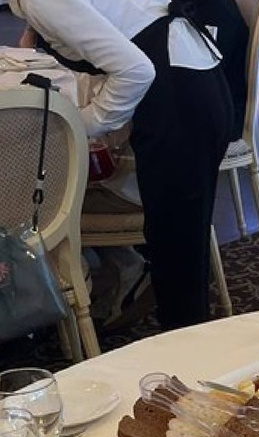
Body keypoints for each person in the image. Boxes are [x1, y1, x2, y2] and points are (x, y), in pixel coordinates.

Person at [10, 0, 234, 331]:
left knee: (177, 260)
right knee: (181, 253)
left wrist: (78, 125)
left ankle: (189, 353)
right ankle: (189, 346)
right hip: (189, 80)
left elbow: (136, 71)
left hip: (179, 99)